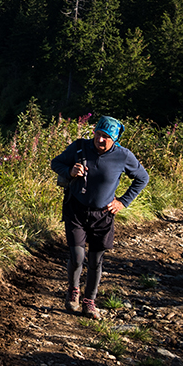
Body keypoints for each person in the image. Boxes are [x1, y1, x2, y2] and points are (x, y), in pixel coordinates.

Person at [50, 116, 151, 319]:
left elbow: (142, 177)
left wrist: (123, 202)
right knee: (77, 257)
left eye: (106, 137)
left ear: (114, 139)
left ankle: (90, 301)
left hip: (103, 215)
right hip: (76, 209)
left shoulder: (123, 156)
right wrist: (69, 171)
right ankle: (73, 290)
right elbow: (56, 163)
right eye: (98, 134)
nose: (100, 140)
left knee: (96, 261)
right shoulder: (79, 147)